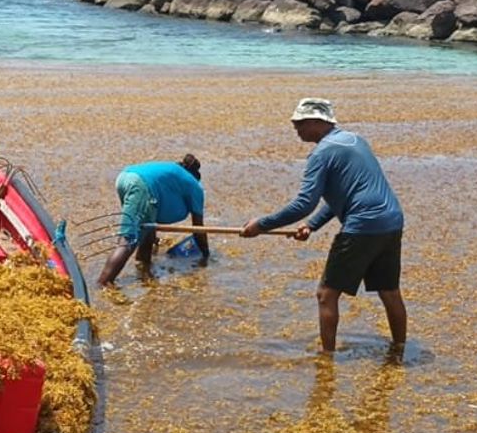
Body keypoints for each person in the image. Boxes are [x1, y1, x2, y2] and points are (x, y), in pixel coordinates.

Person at [240, 98, 406, 353]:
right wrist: (312, 225)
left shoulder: (321, 153)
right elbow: (345, 193)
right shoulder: (355, 140)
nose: (296, 128)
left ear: (318, 122)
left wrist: (262, 225)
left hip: (362, 225)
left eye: (300, 123)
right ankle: (399, 349)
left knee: (326, 294)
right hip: (391, 220)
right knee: (389, 291)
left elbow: (304, 203)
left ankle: (326, 358)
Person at [97, 154, 210, 287]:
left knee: (147, 230)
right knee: (128, 240)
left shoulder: (173, 170)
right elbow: (198, 229)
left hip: (124, 177)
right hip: (141, 186)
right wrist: (206, 254)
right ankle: (103, 283)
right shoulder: (194, 186)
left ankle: (144, 272)